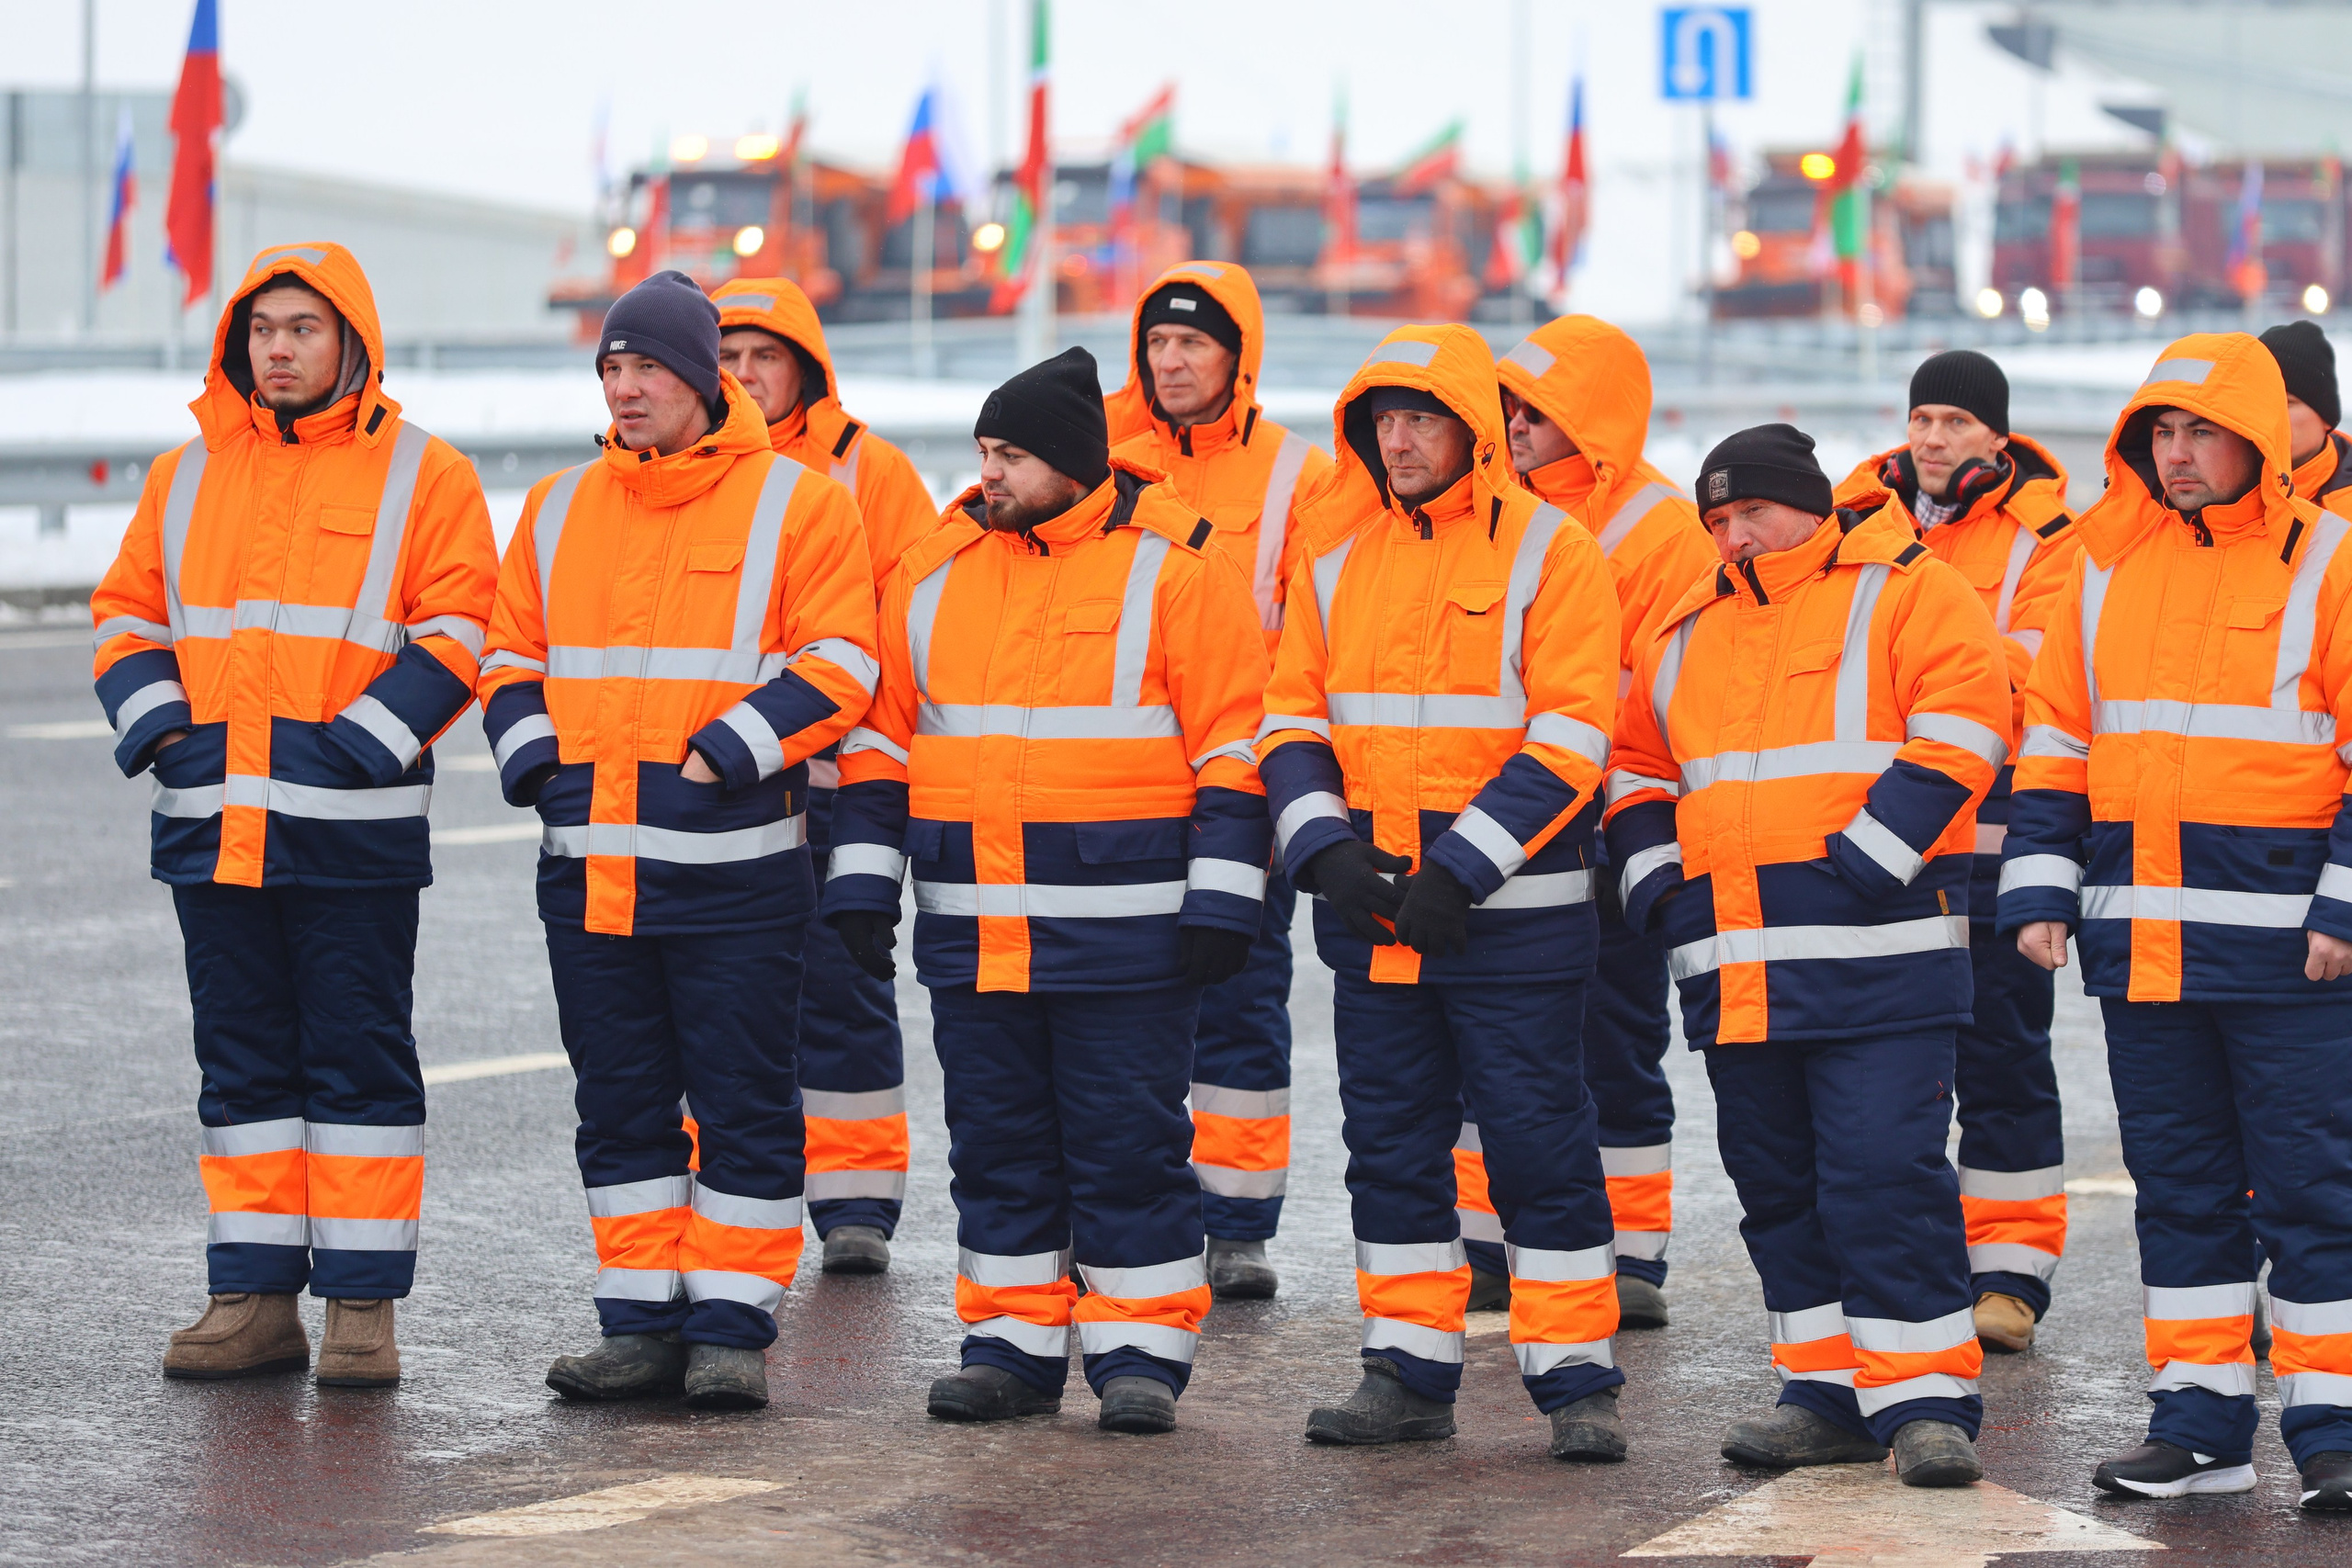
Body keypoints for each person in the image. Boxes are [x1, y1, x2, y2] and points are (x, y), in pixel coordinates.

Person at [821, 347, 1272, 1436]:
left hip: (1130, 938)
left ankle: (1139, 1353)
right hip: (976, 934)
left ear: (1073, 463)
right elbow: (884, 747)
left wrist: (1222, 900)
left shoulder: (1176, 569)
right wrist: (861, 886)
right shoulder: (932, 573)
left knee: (1125, 1143)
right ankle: (1010, 1348)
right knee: (998, 1143)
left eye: (1012, 454)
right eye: (983, 452)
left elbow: (1233, 749)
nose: (990, 474)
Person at [91, 242, 497, 1386]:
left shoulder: (427, 474)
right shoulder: (187, 474)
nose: (278, 347)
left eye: (302, 329)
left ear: (350, 342)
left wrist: (357, 749)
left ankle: (361, 1313)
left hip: (350, 831)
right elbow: (127, 615)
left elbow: (463, 627)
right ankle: (253, 1299)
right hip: (211, 823)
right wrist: (168, 731)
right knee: (243, 1069)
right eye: (263, 328)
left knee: (359, 1067)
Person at [479, 270, 879, 1412]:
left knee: (743, 1096)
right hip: (590, 875)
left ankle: (733, 1326)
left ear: (703, 379)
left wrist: (727, 753)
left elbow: (843, 660)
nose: (626, 387)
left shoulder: (799, 503)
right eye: (611, 368)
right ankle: (639, 1320)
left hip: (738, 877)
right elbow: (510, 656)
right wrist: (535, 764)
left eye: (647, 367)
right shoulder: (560, 507)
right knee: (619, 1100)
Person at [1607, 423, 2010, 1488]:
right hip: (1735, 965)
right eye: (1719, 517)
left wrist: (1867, 864)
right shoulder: (1683, 620)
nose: (1736, 534)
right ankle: (1824, 1392)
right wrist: (1658, 892)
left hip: (1877, 956)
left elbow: (1967, 721)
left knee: (1883, 1174)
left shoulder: (1908, 589)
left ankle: (1924, 1401)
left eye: (1755, 512)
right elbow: (1636, 767)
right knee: (1777, 1186)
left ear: (1810, 505)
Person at [1260, 324, 1629, 1461]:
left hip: (1511, 920)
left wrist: (1463, 866)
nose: (1399, 439)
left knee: (1536, 1143)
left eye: (1422, 418)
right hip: (1374, 912)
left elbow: (1572, 736)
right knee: (1389, 1144)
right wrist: (1318, 846)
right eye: (1383, 419)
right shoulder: (1337, 555)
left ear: (1472, 431)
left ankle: (1575, 1381)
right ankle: (1407, 1372)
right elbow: (1290, 719)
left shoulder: (1553, 550)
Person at [1999, 333, 2352, 1511]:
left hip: (2292, 951)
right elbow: (2054, 739)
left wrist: (2343, 907)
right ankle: (2199, 1425)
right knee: (2184, 1190)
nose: (2179, 452)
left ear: (2258, 437)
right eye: (2161, 431)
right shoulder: (2104, 568)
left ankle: (2335, 1429)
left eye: (2202, 431)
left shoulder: (2332, 562)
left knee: (2312, 1192)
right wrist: (2041, 888)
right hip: (2143, 949)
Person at [1828, 350, 2082, 1354]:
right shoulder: (1854, 521)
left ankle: (2011, 1273)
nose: (1933, 439)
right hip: (1878, 844)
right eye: (1921, 418)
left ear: (1995, 436)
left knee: (2005, 1057)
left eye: (1955, 422)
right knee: (1888, 1070)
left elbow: (2028, 680)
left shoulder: (2048, 539)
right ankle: (1914, 1272)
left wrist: (1921, 670)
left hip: (1991, 842)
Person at [1105, 260, 1332, 1299]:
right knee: (1122, 1008)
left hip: (1240, 783)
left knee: (1243, 996)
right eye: (1157, 341)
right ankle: (1123, 1203)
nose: (1171, 360)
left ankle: (1238, 1223)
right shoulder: (1098, 451)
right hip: (1117, 790)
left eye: (1193, 342)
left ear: (1237, 358)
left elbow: (1313, 631)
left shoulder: (1302, 476)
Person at [1490, 314, 1717, 1329]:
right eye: (1509, 409)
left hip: (1608, 818)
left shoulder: (1662, 529)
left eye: (1538, 411)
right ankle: (1487, 1241)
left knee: (1618, 1039)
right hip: (1503, 821)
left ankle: (1632, 1254)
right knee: (1496, 1043)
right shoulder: (1490, 510)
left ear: (1593, 420)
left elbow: (1667, 684)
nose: (1518, 427)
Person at [711, 276, 937, 1275]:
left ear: (805, 365)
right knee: (722, 997)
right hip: (724, 782)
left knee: (844, 981)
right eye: (727, 357)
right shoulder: (693, 464)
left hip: (841, 777)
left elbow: (905, 626)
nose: (746, 376)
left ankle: (854, 1202)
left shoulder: (873, 474)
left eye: (765, 356)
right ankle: (720, 1194)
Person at [2262, 321, 2352, 519]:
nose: (2270, 415)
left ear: (2326, 418)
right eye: (2260, 401)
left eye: (2287, 402)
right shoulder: (2210, 487)